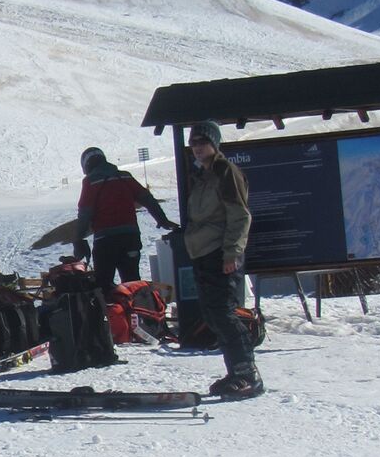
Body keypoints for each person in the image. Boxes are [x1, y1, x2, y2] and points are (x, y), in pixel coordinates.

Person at [181, 121, 262, 399]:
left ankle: (247, 374)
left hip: (220, 252)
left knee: (224, 314)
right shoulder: (203, 175)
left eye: (203, 142)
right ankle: (235, 372)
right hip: (204, 252)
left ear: (215, 144)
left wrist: (232, 252)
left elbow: (240, 215)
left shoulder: (225, 171)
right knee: (214, 315)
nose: (198, 148)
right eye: (194, 143)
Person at [74, 147, 176, 293]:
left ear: (86, 165)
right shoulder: (125, 177)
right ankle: (139, 313)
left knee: (103, 284)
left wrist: (79, 239)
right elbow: (147, 198)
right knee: (133, 282)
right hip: (131, 237)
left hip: (105, 241)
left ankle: (113, 314)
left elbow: (85, 213)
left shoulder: (90, 182)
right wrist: (162, 219)